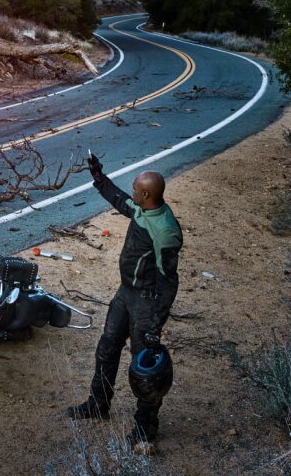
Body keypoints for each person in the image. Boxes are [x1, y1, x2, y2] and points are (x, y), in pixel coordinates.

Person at [67, 154, 183, 449]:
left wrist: (156, 323)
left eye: (135, 188)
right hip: (125, 293)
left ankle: (145, 431)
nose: (132, 192)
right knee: (106, 349)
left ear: (145, 195)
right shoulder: (143, 209)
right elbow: (121, 200)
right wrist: (99, 177)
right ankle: (98, 404)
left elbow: (169, 281)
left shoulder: (165, 231)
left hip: (145, 303)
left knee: (145, 370)